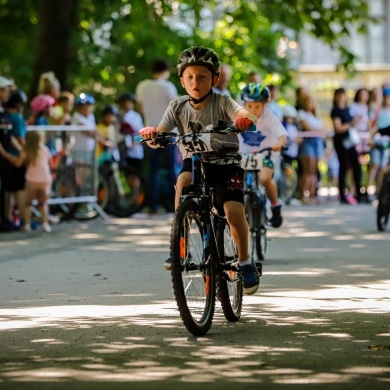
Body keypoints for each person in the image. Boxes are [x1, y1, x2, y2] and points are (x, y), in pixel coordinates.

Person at [139, 45, 260, 295]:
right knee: (182, 182)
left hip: (226, 164)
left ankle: (246, 262)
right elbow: (161, 133)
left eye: (203, 77)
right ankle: (179, 244)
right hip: (194, 161)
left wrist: (244, 120)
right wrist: (152, 135)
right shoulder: (177, 106)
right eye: (190, 77)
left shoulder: (223, 101)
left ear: (215, 79)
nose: (196, 82)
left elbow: (245, 115)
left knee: (233, 210)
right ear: (182, 81)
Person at [238, 83, 287, 227]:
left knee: (265, 179)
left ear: (264, 106)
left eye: (257, 106)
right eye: (250, 106)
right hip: (244, 155)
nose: (253, 110)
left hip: (265, 154)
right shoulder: (238, 116)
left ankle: (275, 205)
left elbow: (282, 134)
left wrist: (280, 143)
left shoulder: (269, 116)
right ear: (244, 104)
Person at [136, 59, 178, 214]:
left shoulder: (142, 86)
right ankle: (174, 203)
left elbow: (140, 108)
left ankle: (152, 204)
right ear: (165, 70)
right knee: (171, 169)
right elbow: (175, 109)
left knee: (152, 170)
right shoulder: (168, 86)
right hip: (167, 132)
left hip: (150, 132)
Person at [0, 131, 53, 233]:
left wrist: (5, 155)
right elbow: (50, 163)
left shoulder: (27, 151)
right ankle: (45, 224)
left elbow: (18, 163)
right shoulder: (45, 150)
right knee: (43, 204)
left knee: (28, 203)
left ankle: (27, 224)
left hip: (31, 181)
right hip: (44, 180)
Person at [330, 88, 362, 204]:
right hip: (341, 142)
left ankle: (359, 193)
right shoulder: (335, 111)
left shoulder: (347, 110)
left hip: (350, 141)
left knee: (356, 166)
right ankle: (342, 195)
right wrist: (351, 124)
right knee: (343, 167)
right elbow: (338, 128)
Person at [3, 90, 28, 228]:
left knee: (9, 190)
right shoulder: (17, 118)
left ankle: (8, 218)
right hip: (18, 157)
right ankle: (25, 219)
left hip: (9, 156)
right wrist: (26, 152)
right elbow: (20, 138)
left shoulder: (7, 116)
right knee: (19, 188)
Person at [296, 94, 325, 204]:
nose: (310, 104)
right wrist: (318, 131)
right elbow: (309, 128)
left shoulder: (316, 116)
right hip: (308, 143)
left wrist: (318, 131)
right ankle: (303, 195)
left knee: (314, 172)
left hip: (317, 143)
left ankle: (312, 195)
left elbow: (323, 129)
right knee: (307, 171)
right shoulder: (301, 114)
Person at [367, 87, 390, 198]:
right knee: (374, 165)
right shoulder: (377, 110)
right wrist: (371, 138)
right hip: (377, 141)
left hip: (387, 144)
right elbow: (373, 126)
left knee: (382, 167)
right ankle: (366, 191)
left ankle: (379, 191)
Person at [71, 93, 96, 194]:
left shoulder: (91, 117)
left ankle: (81, 200)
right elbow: (90, 133)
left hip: (89, 151)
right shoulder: (77, 117)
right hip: (78, 151)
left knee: (85, 177)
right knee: (77, 177)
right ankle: (73, 200)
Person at [116, 92, 144, 170]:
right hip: (119, 151)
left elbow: (142, 135)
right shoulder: (116, 116)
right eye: (123, 102)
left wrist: (134, 143)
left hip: (134, 151)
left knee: (134, 175)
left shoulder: (136, 117)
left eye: (128, 102)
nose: (126, 104)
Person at [0, 76, 14, 232]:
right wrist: (5, 154)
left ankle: (5, 218)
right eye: (4, 90)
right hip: (3, 156)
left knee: (5, 188)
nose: (8, 93)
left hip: (5, 157)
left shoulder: (3, 109)